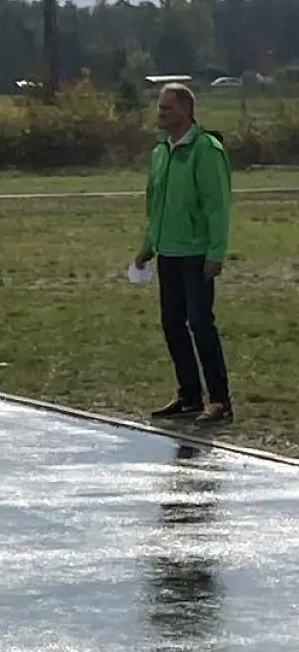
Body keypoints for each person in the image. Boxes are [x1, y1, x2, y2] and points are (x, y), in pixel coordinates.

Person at [134, 82, 234, 424]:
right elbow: (155, 204)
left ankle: (219, 400)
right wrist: (148, 247)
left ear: (186, 111)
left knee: (201, 324)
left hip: (196, 253)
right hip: (169, 253)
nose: (160, 114)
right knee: (172, 324)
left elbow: (217, 206)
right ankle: (189, 395)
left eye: (167, 108)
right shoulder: (160, 152)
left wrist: (216, 253)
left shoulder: (207, 151)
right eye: (159, 108)